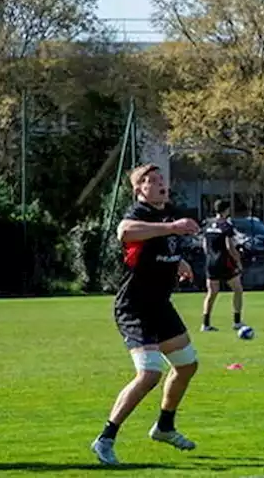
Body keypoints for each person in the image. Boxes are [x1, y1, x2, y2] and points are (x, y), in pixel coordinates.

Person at [90, 163, 202, 466]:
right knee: (150, 373)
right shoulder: (139, 215)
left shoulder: (167, 213)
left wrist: (179, 264)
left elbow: (161, 247)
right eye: (150, 181)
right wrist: (172, 228)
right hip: (134, 306)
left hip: (160, 305)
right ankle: (105, 438)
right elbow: (125, 233)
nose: (159, 183)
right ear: (139, 189)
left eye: (161, 178)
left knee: (187, 365)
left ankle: (164, 427)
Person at [200, 199, 244, 333]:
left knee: (211, 293)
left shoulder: (207, 225)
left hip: (211, 262)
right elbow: (229, 246)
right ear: (226, 210)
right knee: (238, 289)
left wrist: (210, 257)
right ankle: (237, 322)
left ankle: (205, 324)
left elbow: (204, 245)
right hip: (224, 262)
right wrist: (238, 261)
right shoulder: (226, 226)